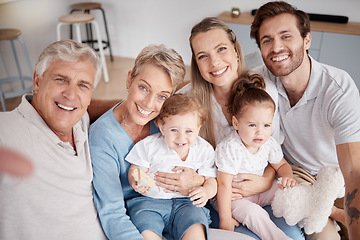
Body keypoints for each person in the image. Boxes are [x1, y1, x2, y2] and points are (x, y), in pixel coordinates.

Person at [175, 16, 304, 240]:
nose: (214, 63)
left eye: (221, 49)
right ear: (196, 63)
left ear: (236, 50)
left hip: (264, 187)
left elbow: (271, 149)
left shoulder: (263, 91)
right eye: (203, 56)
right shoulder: (190, 104)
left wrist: (264, 181)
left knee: (295, 233)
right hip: (226, 197)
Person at [250, 1, 360, 239]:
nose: (276, 47)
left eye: (286, 36)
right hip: (298, 176)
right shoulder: (260, 81)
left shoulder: (338, 89)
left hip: (338, 174)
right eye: (267, 40)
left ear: (306, 40)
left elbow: (353, 171)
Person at [88, 44, 212, 240]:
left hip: (183, 208)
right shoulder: (103, 137)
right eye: (143, 87)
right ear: (129, 79)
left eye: (162, 96)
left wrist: (200, 181)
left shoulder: (170, 123)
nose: (148, 104)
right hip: (141, 216)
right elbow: (112, 212)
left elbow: (205, 167)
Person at [0, 40, 106, 239]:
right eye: (60, 80)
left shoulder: (80, 119)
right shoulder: (7, 130)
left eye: (83, 85)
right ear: (37, 82)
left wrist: (129, 105)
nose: (71, 94)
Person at [214, 72, 297, 240]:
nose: (260, 132)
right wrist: (225, 219)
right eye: (252, 125)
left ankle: (316, 211)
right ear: (236, 123)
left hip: (261, 191)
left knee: (291, 192)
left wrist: (287, 178)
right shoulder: (231, 148)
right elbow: (223, 184)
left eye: (266, 125)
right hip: (233, 198)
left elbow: (281, 165)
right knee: (255, 214)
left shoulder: (268, 143)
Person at [125, 94, 217, 240]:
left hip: (187, 204)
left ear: (198, 129)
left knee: (196, 226)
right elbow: (135, 169)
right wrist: (136, 181)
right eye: (174, 130)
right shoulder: (149, 145)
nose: (181, 138)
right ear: (162, 128)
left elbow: (211, 179)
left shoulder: (204, 150)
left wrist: (206, 191)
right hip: (150, 202)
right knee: (145, 227)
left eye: (189, 131)